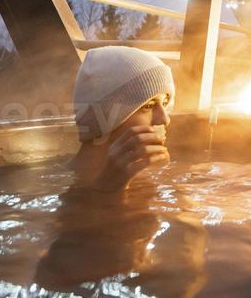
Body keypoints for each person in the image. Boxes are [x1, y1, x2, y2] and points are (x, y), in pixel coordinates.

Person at [68, 46, 176, 192]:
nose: (165, 119)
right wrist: (106, 191)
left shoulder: (144, 173)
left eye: (164, 103)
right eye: (148, 106)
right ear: (105, 118)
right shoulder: (50, 182)